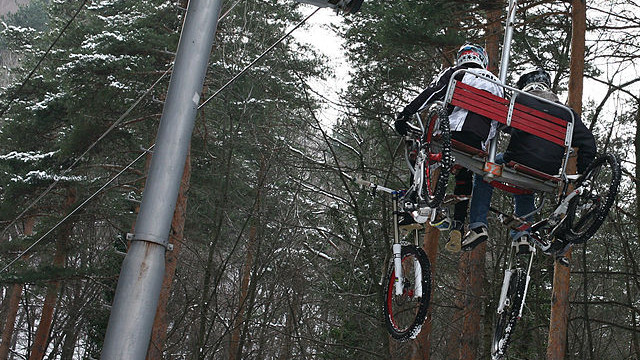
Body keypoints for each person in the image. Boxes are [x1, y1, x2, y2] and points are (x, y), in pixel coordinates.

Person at [461, 67, 597, 252]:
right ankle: (522, 235)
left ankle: (478, 224)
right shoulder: (567, 114)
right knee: (526, 185)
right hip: (547, 171)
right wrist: (582, 174)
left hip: (516, 161)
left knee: (485, 170)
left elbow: (497, 121)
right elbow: (588, 142)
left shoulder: (519, 100)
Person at [395, 43, 503, 248]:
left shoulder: (457, 73)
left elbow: (432, 93)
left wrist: (406, 113)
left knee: (420, 154)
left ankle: (413, 208)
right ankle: (459, 223)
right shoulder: (499, 85)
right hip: (477, 143)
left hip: (450, 132)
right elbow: (500, 124)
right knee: (464, 171)